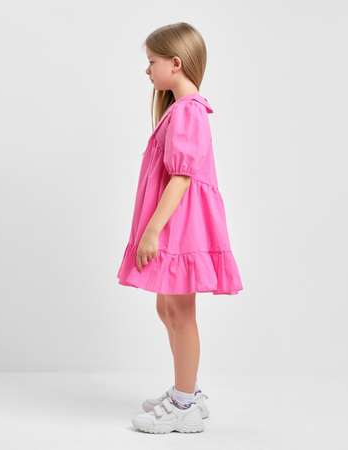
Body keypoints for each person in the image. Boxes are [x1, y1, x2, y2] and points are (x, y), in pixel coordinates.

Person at [117, 22, 244, 434]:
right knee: (166, 307)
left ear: (175, 63)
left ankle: (185, 403)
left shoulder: (188, 111)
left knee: (181, 312)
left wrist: (152, 230)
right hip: (176, 222)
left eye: (151, 61)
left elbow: (181, 178)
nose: (147, 70)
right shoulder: (178, 109)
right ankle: (184, 390)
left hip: (181, 225)